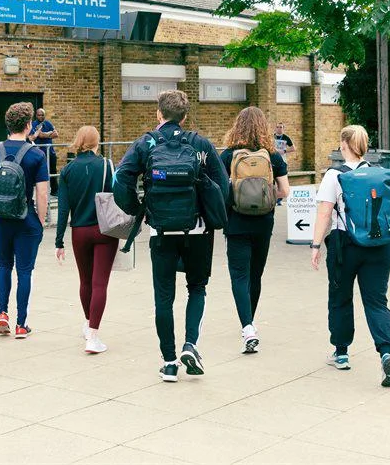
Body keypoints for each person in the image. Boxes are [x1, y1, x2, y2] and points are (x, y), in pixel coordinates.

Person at [114, 90, 229, 383]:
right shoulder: (200, 144)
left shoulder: (146, 143)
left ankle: (168, 363)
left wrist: (139, 209)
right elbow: (223, 185)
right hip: (198, 230)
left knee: (163, 298)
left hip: (161, 229)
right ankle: (190, 345)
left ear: (159, 114)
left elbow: (121, 178)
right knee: (197, 288)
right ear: (185, 116)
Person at [310, 125, 390, 387]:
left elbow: (325, 213)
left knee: (340, 298)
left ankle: (341, 352)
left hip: (344, 245)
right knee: (376, 302)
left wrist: (315, 246)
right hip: (379, 245)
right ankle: (386, 353)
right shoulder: (379, 175)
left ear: (344, 145)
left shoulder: (334, 176)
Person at [220, 107, 290, 354]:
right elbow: (284, 191)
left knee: (239, 275)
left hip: (236, 223)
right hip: (263, 222)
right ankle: (249, 320)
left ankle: (247, 326)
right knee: (255, 274)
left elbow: (218, 190)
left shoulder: (228, 155)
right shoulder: (273, 156)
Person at [0, 102, 49, 339]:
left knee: (3, 265)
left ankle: (2, 313)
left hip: (0, 218)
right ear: (29, 125)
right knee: (25, 271)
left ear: (7, 125)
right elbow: (42, 193)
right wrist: (40, 220)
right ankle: (21, 324)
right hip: (25, 217)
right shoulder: (36, 155)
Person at [54, 126, 119, 354]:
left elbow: (63, 208)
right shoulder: (107, 166)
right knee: (100, 283)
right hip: (104, 230)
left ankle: (88, 323)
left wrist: (59, 240)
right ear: (96, 142)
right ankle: (93, 335)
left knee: (85, 281)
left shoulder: (68, 170)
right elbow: (117, 197)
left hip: (79, 231)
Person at [29, 108, 59, 196]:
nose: (41, 116)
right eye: (39, 115)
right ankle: (40, 193)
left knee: (53, 171)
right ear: (36, 115)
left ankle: (54, 190)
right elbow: (40, 135)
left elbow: (56, 134)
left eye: (42, 115)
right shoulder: (34, 124)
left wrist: (45, 134)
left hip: (50, 152)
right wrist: (50, 133)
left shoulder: (48, 123)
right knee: (40, 172)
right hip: (39, 153)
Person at [273, 123, 295, 206]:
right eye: (277, 127)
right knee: (273, 180)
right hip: (273, 160)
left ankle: (279, 199)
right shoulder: (271, 137)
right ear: (275, 128)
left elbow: (293, 148)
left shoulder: (286, 138)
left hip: (283, 161)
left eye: (281, 127)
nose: (279, 129)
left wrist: (284, 151)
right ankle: (273, 198)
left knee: (281, 181)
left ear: (283, 128)